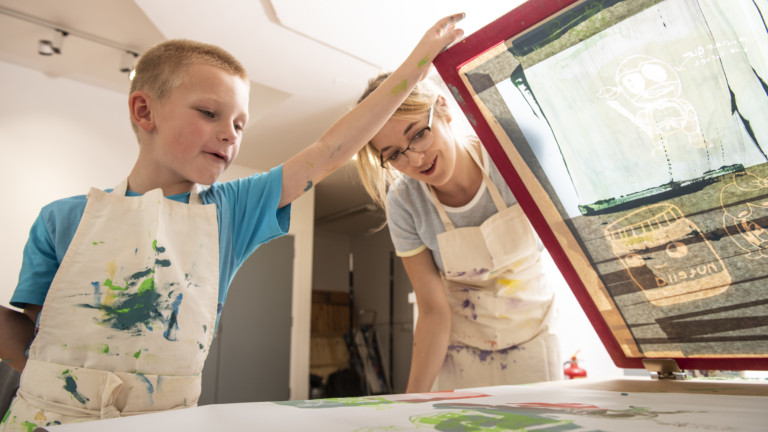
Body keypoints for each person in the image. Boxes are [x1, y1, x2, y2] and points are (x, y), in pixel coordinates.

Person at [0, 14, 464, 430]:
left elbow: (326, 153)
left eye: (241, 124)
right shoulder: (61, 220)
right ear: (145, 111)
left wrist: (414, 69)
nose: (230, 133)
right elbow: (36, 344)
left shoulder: (230, 212)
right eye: (209, 113)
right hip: (45, 420)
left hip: (165, 423)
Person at [355, 74, 561, 393]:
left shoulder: (515, 150)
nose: (414, 159)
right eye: (394, 155)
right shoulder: (404, 201)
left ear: (444, 109)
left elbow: (578, 244)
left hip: (534, 338)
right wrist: (411, 403)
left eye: (419, 134)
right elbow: (434, 310)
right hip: (459, 350)